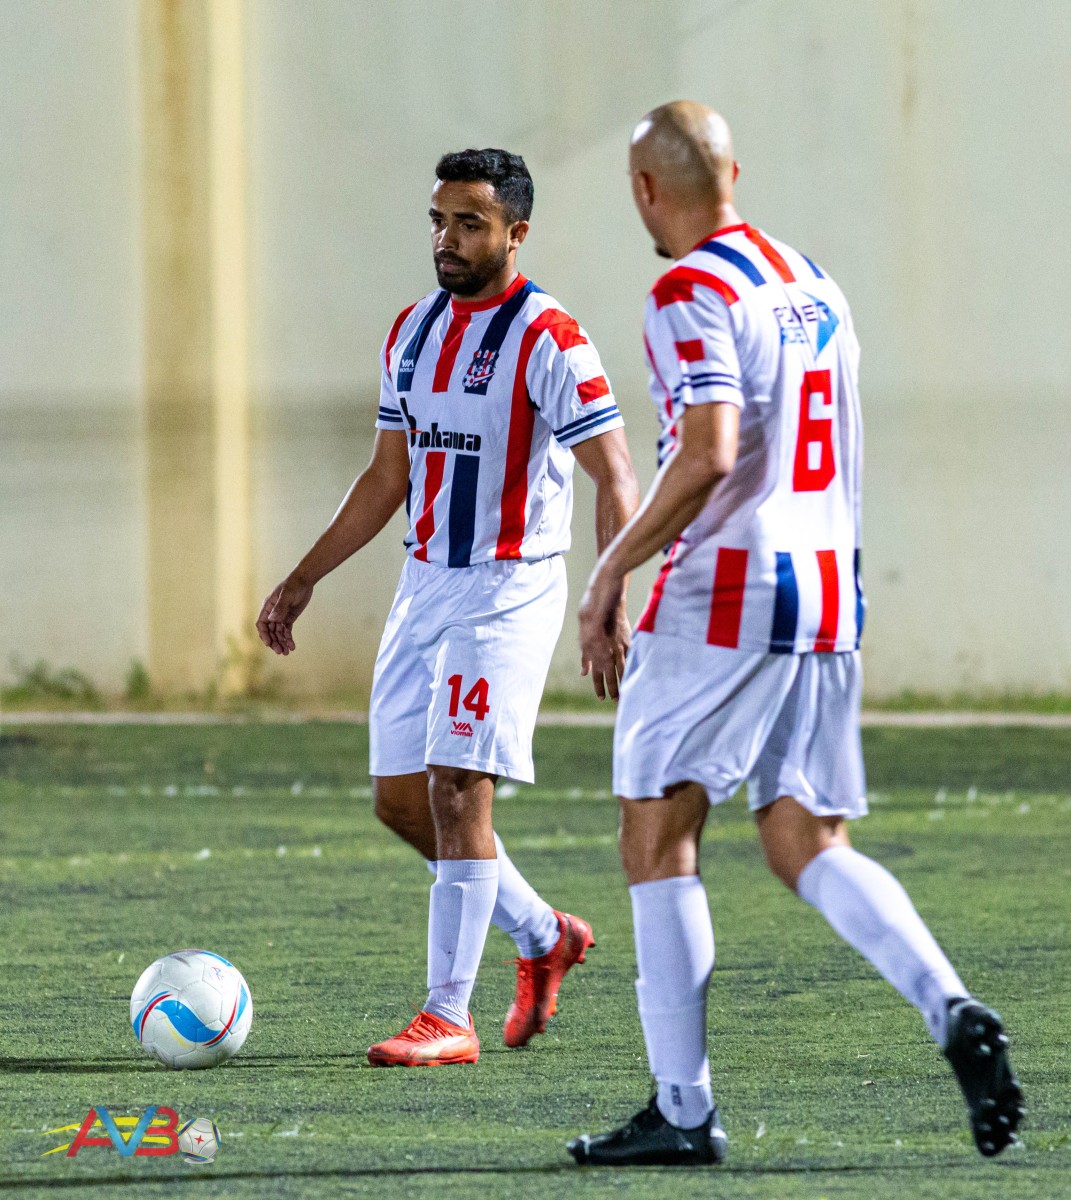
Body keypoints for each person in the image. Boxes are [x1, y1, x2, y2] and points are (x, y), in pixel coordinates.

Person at [567, 102, 1023, 1166]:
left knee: (656, 832)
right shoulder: (813, 281)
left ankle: (683, 1110)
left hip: (727, 596)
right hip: (826, 593)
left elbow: (710, 450)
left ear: (646, 190)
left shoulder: (688, 289)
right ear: (734, 172)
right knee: (804, 838)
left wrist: (611, 568)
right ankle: (950, 1006)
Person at [257, 148, 639, 1068]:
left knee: (458, 788)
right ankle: (545, 934)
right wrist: (305, 576)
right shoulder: (412, 331)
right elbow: (387, 475)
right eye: (439, 220)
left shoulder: (550, 338)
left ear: (515, 233)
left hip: (507, 589)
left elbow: (617, 474)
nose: (447, 239)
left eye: (469, 223)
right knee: (400, 805)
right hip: (423, 582)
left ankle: (447, 1016)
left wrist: (608, 595)